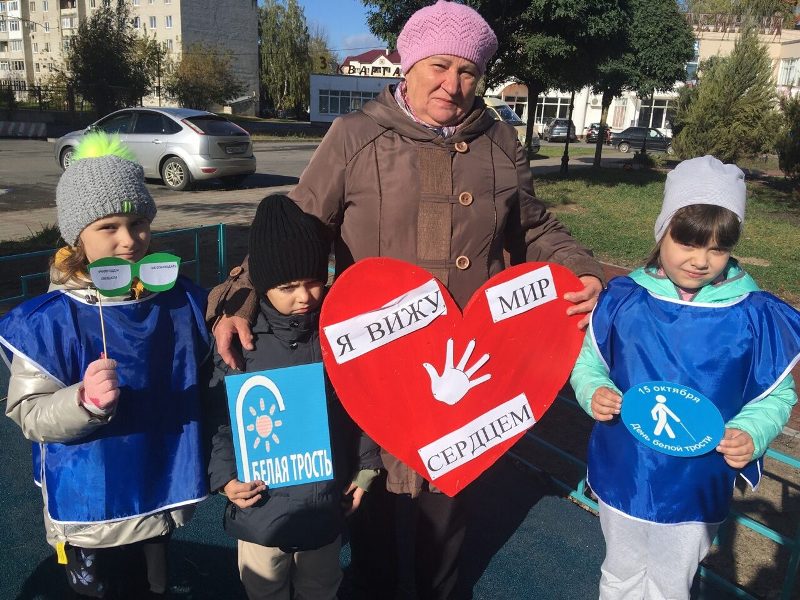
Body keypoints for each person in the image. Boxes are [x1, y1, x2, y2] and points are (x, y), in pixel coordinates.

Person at [207, 2, 605, 597]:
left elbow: (533, 227)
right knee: (370, 504)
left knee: (448, 509)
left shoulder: (498, 140)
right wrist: (239, 301)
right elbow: (292, 230)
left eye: (468, 71)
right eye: (439, 66)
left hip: (463, 360)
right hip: (377, 356)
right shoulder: (356, 136)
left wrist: (580, 267)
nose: (453, 84)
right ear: (408, 65)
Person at [570, 155, 800, 600]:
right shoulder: (624, 299)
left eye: (717, 248)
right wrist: (593, 390)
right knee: (619, 571)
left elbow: (775, 397)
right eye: (688, 242)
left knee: (671, 585)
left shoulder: (753, 316)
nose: (700, 260)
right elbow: (590, 361)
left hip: (695, 483)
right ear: (662, 232)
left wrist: (751, 432)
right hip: (626, 468)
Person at [0, 133, 210, 598]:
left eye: (138, 223)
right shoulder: (51, 321)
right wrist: (82, 402)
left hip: (160, 485)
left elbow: (221, 334)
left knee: (152, 586)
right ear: (77, 236)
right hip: (91, 504)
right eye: (108, 226)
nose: (129, 240)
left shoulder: (179, 300)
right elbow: (29, 413)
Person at [205, 195, 382, 600]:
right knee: (264, 588)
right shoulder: (240, 343)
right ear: (263, 286)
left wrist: (367, 468)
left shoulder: (337, 334)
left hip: (325, 502)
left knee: (320, 588)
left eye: (314, 281)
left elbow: (357, 406)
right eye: (287, 287)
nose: (304, 296)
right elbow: (220, 417)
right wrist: (225, 479)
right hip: (260, 506)